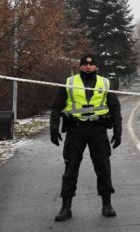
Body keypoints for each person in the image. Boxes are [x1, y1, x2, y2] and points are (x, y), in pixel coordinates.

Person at [50, 54, 122, 221]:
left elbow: (115, 109)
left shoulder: (105, 83)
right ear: (80, 66)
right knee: (70, 170)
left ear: (96, 67)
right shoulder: (69, 82)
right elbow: (56, 107)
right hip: (76, 131)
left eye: (91, 64)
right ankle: (65, 208)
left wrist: (118, 132)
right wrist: (53, 128)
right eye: (85, 64)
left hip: (98, 131)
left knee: (103, 168)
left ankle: (107, 204)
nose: (88, 67)